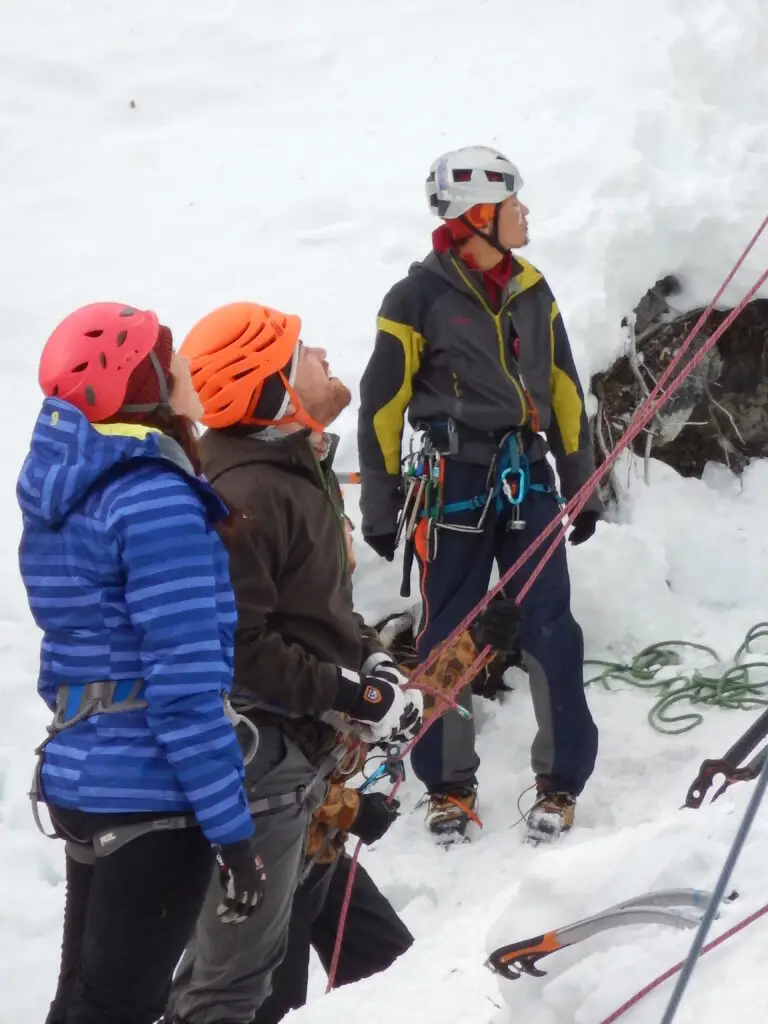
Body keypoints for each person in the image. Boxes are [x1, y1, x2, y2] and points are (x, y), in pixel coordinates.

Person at [165, 302, 424, 1024]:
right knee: (233, 984)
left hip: (297, 765)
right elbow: (241, 650)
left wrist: (372, 665)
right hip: (262, 768)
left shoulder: (286, 470)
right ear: (271, 387)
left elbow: (314, 614)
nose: (322, 357)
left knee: (290, 959)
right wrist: (354, 696)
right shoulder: (243, 495)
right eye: (302, 353)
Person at [17, 303, 262, 1024]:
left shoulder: (70, 490)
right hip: (151, 793)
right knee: (119, 1009)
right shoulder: (154, 499)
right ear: (141, 382)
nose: (187, 370)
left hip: (84, 776)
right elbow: (185, 690)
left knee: (86, 1003)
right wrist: (234, 832)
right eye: (172, 360)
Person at [357, 145, 601, 845]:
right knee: (447, 633)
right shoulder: (415, 299)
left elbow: (562, 385)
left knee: (551, 623)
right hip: (454, 485)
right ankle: (448, 787)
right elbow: (381, 406)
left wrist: (578, 481)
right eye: (514, 202)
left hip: (526, 473)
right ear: (479, 214)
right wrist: (380, 507)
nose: (525, 213)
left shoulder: (531, 285)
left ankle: (560, 780)